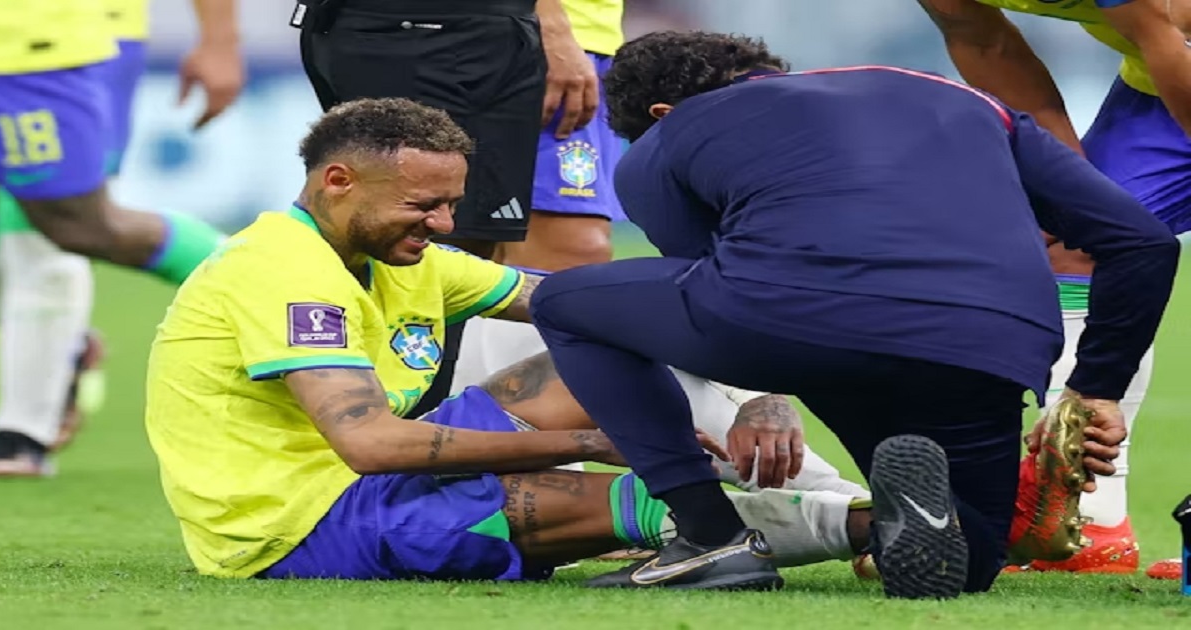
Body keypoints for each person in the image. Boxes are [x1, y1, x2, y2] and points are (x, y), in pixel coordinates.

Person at [529, 32, 1178, 597]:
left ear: (660, 113)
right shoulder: (966, 101)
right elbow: (1143, 242)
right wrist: (1095, 389)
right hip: (993, 342)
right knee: (969, 560)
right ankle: (947, 522)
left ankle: (707, 534)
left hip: (799, 322)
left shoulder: (671, 135)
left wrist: (761, 399)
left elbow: (704, 276)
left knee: (565, 302)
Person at [144, 97, 873, 582]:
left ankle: (844, 503)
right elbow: (371, 445)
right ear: (338, 181)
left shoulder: (411, 260)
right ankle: (879, 524)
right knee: (660, 500)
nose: (442, 225)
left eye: (450, 205)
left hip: (373, 479)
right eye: (423, 205)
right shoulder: (283, 270)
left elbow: (614, 310)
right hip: (302, 527)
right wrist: (591, 444)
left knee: (603, 334)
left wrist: (762, 391)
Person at [916, 0, 1190, 577]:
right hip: (1161, 77)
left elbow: (1168, 25)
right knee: (1085, 238)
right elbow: (983, 40)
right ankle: (1090, 522)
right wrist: (1070, 194)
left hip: (1176, 51)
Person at [296, 0, 594, 420]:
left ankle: (410, 424)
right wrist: (556, 26)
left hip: (476, 28)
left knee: (458, 240)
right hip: (431, 27)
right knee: (418, 234)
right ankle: (388, 426)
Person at [0, 0, 245, 476]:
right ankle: (58, 343)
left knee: (62, 229)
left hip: (43, 45)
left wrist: (219, 41)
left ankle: (22, 433)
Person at [458, 0, 631, 388]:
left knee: (464, 249)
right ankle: (511, 420)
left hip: (550, 34)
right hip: (528, 33)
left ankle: (453, 415)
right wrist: (548, 25)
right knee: (570, 257)